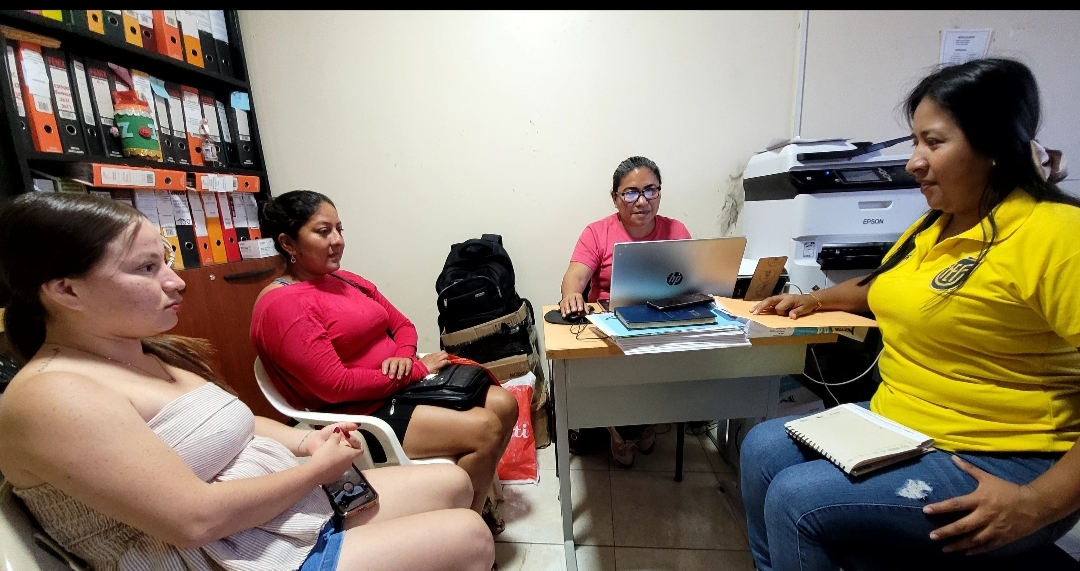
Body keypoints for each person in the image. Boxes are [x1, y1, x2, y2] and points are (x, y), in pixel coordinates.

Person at [0, 193, 494, 571]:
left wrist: (304, 441)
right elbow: (195, 520)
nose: (176, 281)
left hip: (276, 519)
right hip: (235, 555)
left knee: (451, 482)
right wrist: (315, 471)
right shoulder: (52, 396)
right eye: (147, 268)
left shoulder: (142, 351)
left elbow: (231, 420)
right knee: (469, 536)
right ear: (65, 290)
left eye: (166, 260)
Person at [741, 58, 1080, 571]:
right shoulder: (936, 225)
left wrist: (1038, 503)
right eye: (915, 142)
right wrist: (817, 299)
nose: (913, 163)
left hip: (1007, 458)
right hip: (901, 426)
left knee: (797, 497)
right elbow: (886, 285)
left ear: (994, 145)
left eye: (934, 143)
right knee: (762, 448)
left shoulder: (1056, 235)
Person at [250, 190, 517, 531]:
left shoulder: (345, 280)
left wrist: (404, 356)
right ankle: (465, 526)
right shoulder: (282, 306)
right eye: (323, 232)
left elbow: (402, 325)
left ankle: (473, 502)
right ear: (288, 243)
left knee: (506, 404)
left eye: (339, 229)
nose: (337, 241)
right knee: (486, 428)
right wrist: (415, 370)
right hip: (360, 412)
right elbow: (335, 386)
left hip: (399, 387)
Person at [559, 156, 692, 467]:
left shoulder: (676, 229)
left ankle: (643, 422)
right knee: (617, 373)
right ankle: (620, 428)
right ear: (615, 197)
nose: (642, 201)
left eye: (651, 190)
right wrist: (571, 295)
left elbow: (692, 279)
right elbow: (575, 276)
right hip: (612, 323)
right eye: (631, 192)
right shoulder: (597, 232)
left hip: (663, 323)